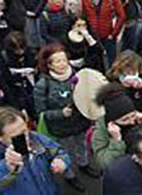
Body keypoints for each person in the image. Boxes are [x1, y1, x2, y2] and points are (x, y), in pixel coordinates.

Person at [33, 44, 98, 191]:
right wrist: (61, 113)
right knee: (63, 152)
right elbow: (41, 113)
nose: (62, 64)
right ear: (49, 64)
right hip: (60, 127)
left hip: (79, 122)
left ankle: (84, 164)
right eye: (57, 61)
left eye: (64, 60)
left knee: (81, 144)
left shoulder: (77, 77)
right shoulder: (42, 85)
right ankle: (69, 176)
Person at [0, 106, 70, 195]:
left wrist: (62, 160)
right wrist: (7, 168)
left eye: (25, 130)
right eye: (18, 137)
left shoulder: (35, 138)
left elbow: (59, 151)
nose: (26, 137)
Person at [92, 82, 142, 170]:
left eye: (133, 115)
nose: (131, 122)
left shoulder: (139, 120)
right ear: (112, 121)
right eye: (125, 119)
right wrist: (116, 141)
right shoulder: (101, 131)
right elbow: (104, 164)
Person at [81, 0, 126, 70]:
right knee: (95, 62)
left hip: (108, 36)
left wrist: (114, 34)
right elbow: (84, 16)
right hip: (93, 37)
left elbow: (121, 16)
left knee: (111, 63)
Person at [106, 50, 142, 120]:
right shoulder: (113, 79)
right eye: (127, 71)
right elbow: (112, 104)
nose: (130, 74)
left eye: (133, 71)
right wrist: (124, 89)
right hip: (123, 118)